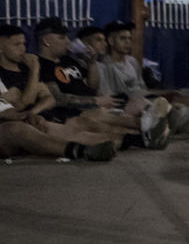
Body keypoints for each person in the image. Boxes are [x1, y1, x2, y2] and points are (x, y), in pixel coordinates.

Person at [30, 17, 169, 148]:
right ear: (46, 41)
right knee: (104, 118)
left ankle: (153, 126)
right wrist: (95, 101)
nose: (67, 41)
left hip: (96, 102)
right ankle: (150, 128)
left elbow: (93, 86)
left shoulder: (69, 60)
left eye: (67, 37)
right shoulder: (41, 65)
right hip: (76, 110)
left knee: (135, 103)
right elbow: (57, 98)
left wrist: (91, 63)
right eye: (61, 37)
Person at [0, 24, 118, 161]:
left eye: (24, 44)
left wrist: (29, 113)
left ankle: (137, 138)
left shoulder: (24, 68)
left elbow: (47, 98)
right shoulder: (28, 68)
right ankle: (80, 151)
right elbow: (21, 103)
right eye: (17, 44)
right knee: (16, 128)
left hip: (35, 119)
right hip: (12, 129)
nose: (23, 48)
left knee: (103, 138)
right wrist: (35, 70)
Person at [96, 20, 189, 134]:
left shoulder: (132, 62)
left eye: (129, 38)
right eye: (123, 39)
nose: (128, 42)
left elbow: (144, 89)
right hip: (137, 103)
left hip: (148, 96)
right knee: (179, 105)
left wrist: (167, 91)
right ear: (111, 41)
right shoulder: (106, 66)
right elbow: (117, 97)